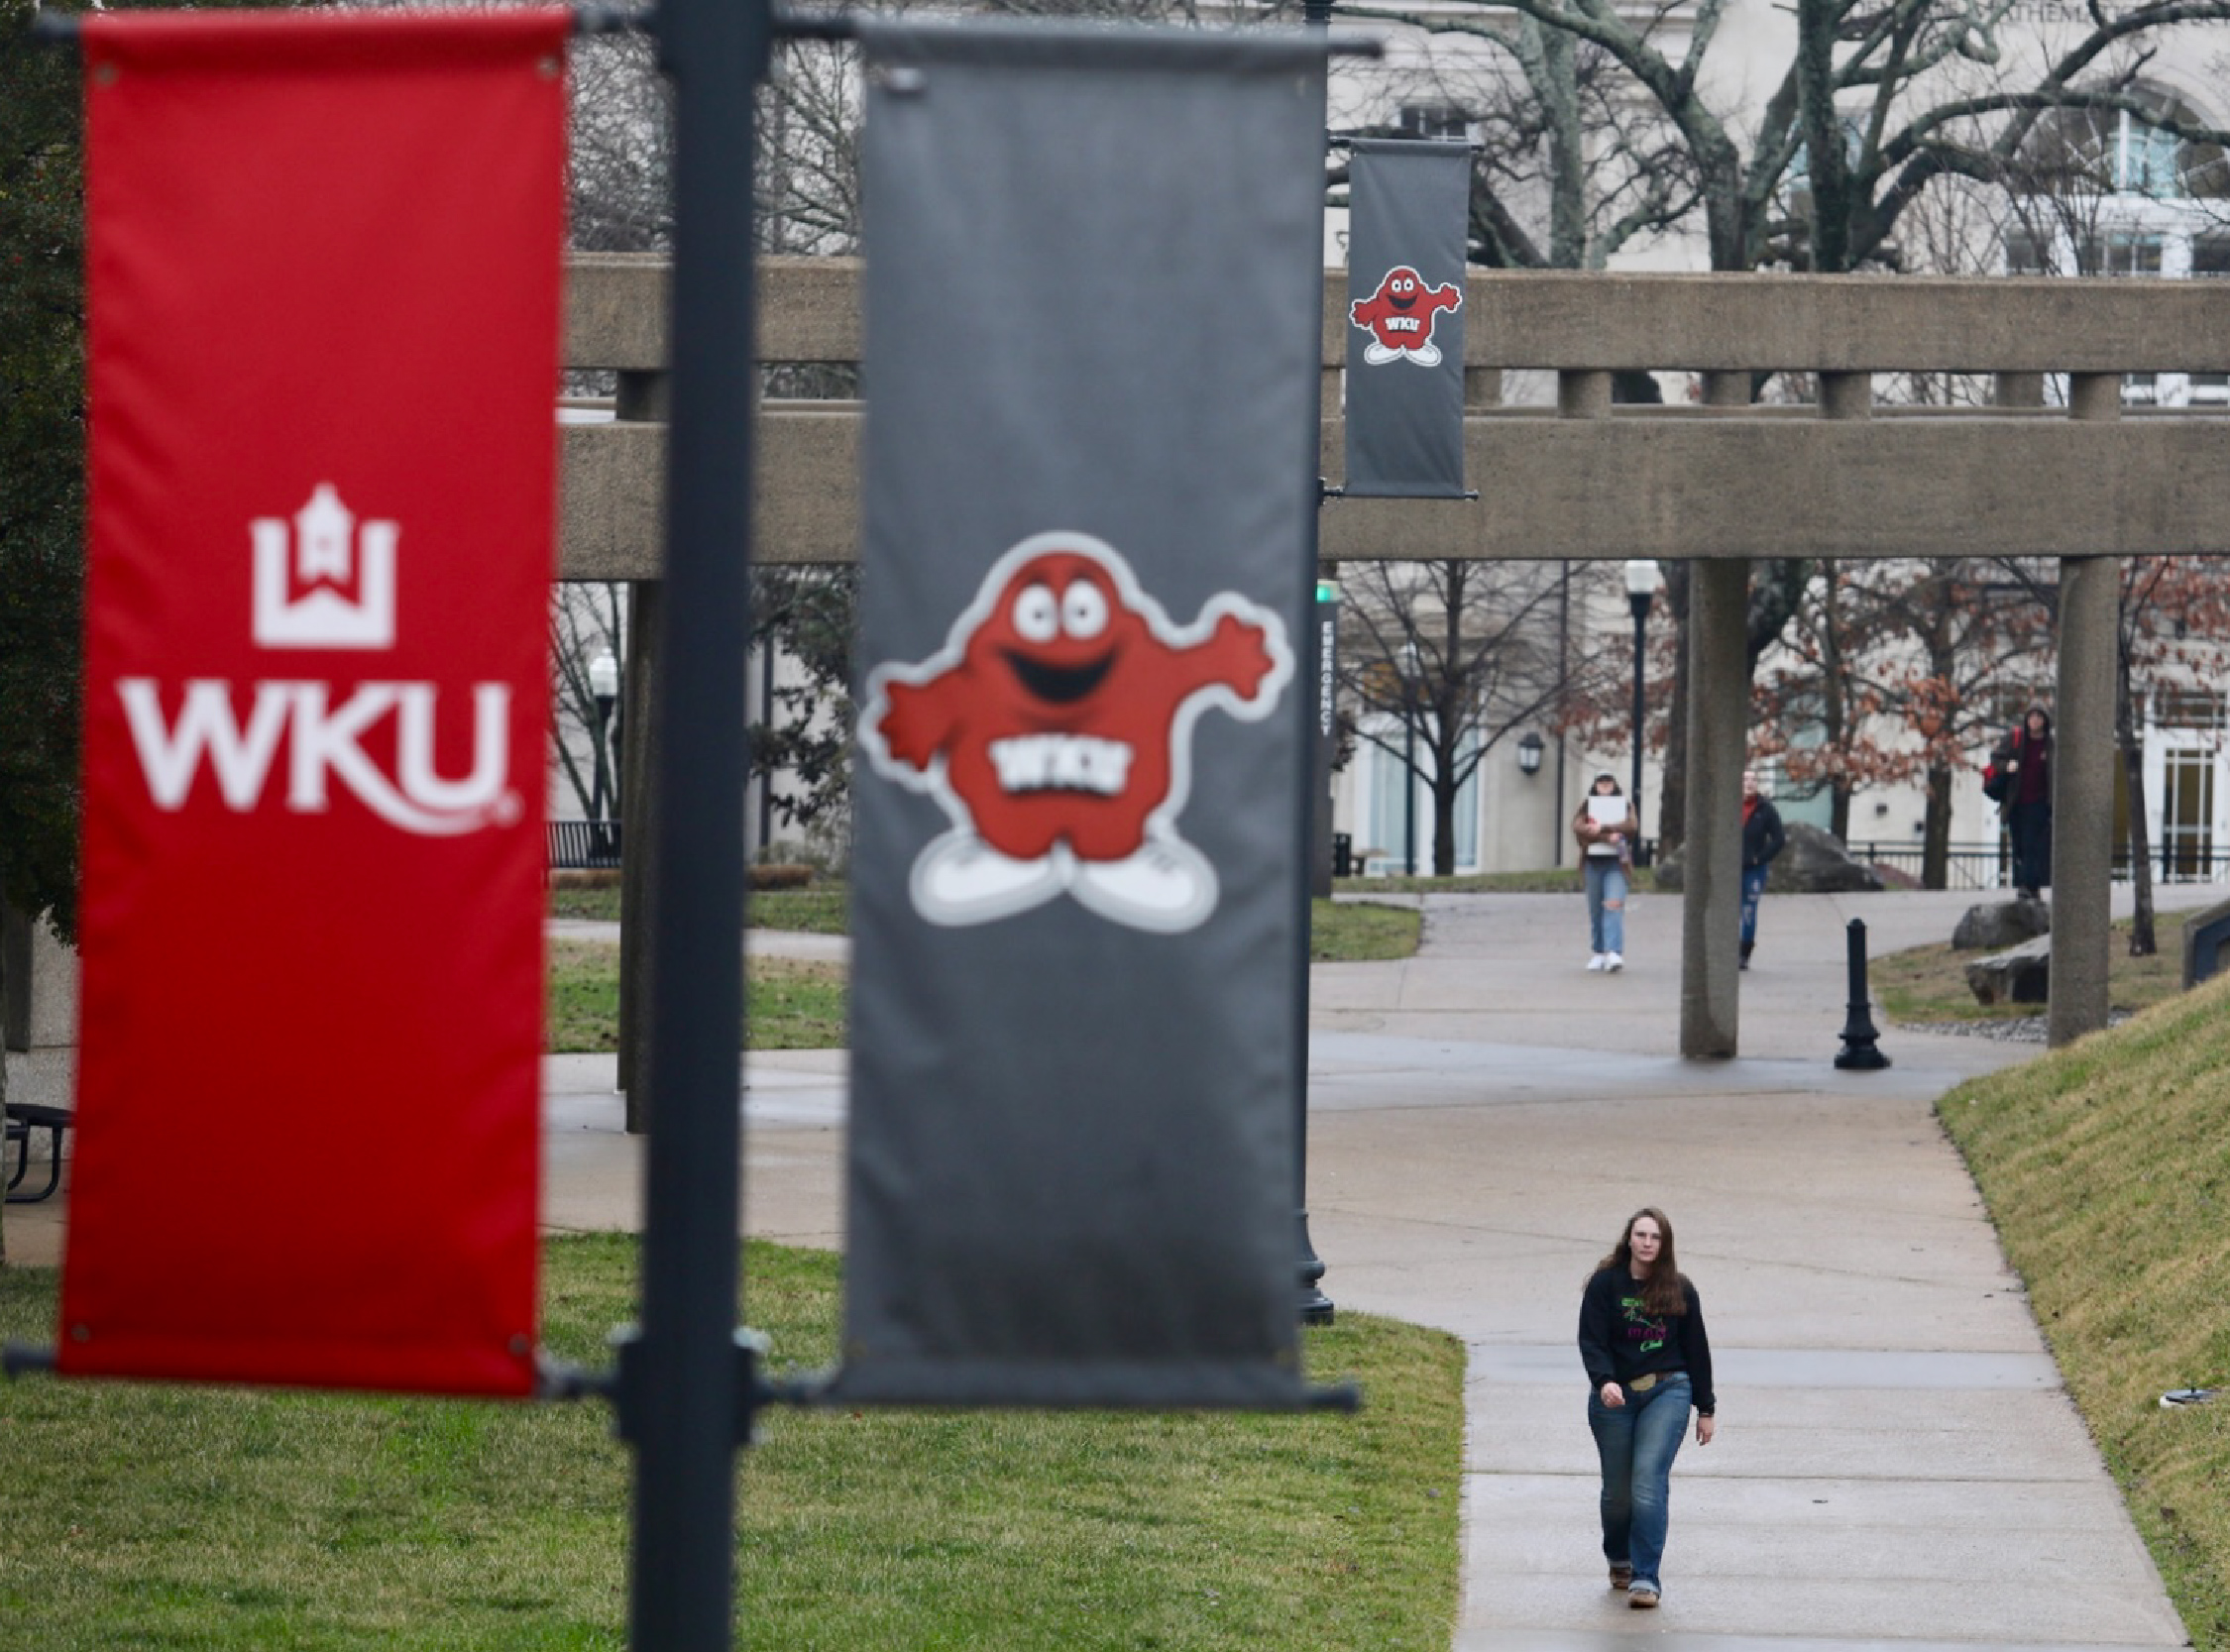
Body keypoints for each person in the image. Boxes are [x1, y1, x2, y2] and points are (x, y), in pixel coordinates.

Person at [1578, 1207, 1717, 1610]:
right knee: (1618, 1494)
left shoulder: (1680, 1290)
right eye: (1641, 1235)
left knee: (1647, 1484)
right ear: (1629, 1239)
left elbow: (1697, 1351)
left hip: (1667, 1390)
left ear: (1664, 1243)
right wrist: (1604, 1382)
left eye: (1655, 1237)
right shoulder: (1606, 1285)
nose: (1648, 1243)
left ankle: (1645, 1577)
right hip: (1614, 1395)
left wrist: (1704, 1408)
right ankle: (1619, 1559)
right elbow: (1592, 1340)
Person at [1573, 774, 1637, 972]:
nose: (1605, 785)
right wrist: (1607, 837)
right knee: (1596, 908)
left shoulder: (1626, 805)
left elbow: (1631, 827)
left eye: (1608, 782)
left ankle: (1614, 952)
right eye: (1601, 782)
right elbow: (1579, 828)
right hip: (1593, 862)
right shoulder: (1586, 806)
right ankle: (1599, 952)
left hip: (1618, 861)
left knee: (1614, 904)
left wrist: (1604, 828)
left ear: (1615, 784)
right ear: (1595, 785)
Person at [2002, 705, 2054, 899]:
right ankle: (2024, 883)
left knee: (2033, 844)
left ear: (2044, 721)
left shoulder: (2050, 745)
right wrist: (2008, 766)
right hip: (2017, 802)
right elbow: (1996, 759)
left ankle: (2030, 885)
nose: (2035, 721)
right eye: (2032, 717)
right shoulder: (2016, 740)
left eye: (2039, 718)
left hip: (2039, 803)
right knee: (2020, 845)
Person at [1738, 769, 1787, 971]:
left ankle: (1744, 952)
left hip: (1753, 869)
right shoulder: (1728, 806)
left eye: (1753, 779)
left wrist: (1760, 858)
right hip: (1730, 868)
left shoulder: (1765, 809)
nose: (1749, 783)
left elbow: (1779, 839)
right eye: (1745, 779)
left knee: (1749, 909)